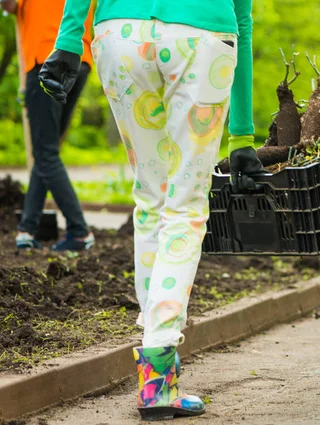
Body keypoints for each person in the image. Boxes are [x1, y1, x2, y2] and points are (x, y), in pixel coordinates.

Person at [39, 0, 263, 420]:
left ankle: (158, 365)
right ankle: (158, 372)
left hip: (120, 35)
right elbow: (243, 18)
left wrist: (70, 39)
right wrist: (242, 134)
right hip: (201, 36)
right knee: (185, 206)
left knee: (150, 199)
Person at [1, 0, 96, 251]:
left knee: (45, 152)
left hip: (46, 57)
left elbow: (8, 5)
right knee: (46, 150)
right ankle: (27, 228)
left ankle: (79, 231)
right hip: (80, 57)